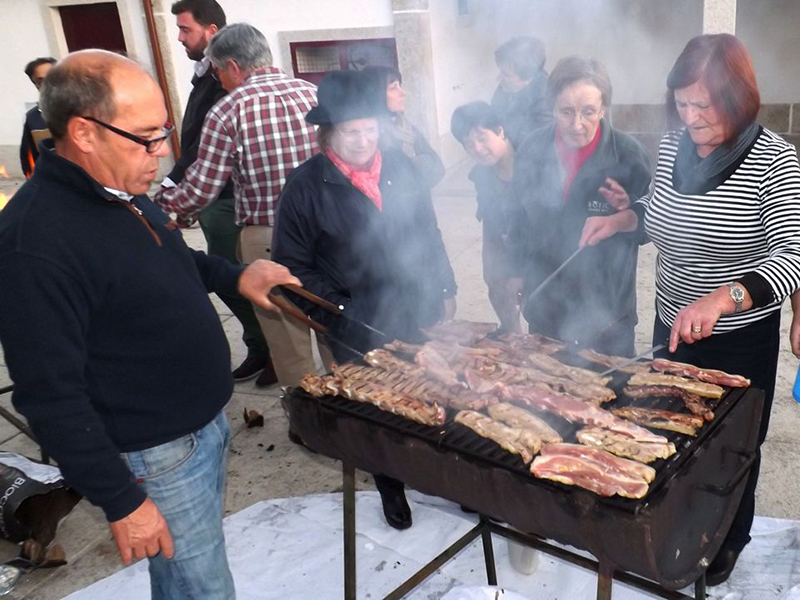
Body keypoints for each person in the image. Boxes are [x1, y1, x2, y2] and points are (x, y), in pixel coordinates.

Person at [0, 49, 302, 599]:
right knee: (204, 587)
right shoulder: (36, 243)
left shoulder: (121, 190)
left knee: (184, 578)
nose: (162, 153)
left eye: (162, 131)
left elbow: (171, 258)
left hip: (201, 426)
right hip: (154, 453)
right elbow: (49, 396)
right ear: (84, 133)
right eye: (146, 137)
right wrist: (123, 502)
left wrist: (238, 276)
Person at [580, 34, 800, 586]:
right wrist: (626, 219)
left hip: (738, 337)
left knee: (732, 445)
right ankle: (676, 524)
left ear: (739, 97)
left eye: (705, 104)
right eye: (682, 103)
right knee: (666, 429)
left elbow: (791, 257)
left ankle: (729, 535)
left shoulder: (776, 159)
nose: (693, 117)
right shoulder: (677, 144)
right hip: (671, 321)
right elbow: (662, 211)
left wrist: (725, 298)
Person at [272, 70, 457, 530]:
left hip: (417, 308)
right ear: (326, 134)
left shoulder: (402, 168)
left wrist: (446, 286)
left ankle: (454, 479)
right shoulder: (305, 187)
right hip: (355, 319)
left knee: (436, 391)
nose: (361, 141)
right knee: (379, 413)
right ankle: (391, 486)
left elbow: (428, 233)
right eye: (350, 132)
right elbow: (294, 268)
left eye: (370, 129)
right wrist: (339, 310)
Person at [155, 23, 320, 390]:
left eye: (217, 71)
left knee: (289, 343)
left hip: (269, 240)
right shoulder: (313, 94)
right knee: (331, 324)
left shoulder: (228, 110)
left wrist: (164, 205)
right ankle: (348, 413)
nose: (218, 79)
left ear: (231, 66)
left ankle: (310, 420)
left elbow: (202, 188)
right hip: (325, 232)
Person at [509, 56, 652, 356]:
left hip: (607, 316)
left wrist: (627, 213)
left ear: (603, 108)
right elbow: (518, 216)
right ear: (552, 108)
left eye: (588, 112)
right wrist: (515, 270)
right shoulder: (532, 149)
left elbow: (651, 224)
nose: (577, 125)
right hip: (546, 306)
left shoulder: (627, 155)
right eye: (566, 112)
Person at [164, 0, 275, 386]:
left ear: (213, 34)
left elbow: (202, 160)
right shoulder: (303, 91)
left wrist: (167, 202)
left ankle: (269, 349)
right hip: (237, 202)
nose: (178, 37)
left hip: (231, 202)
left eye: (185, 29)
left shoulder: (227, 94)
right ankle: (266, 346)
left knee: (233, 276)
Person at [451, 101, 523, 332]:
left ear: (500, 131)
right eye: (468, 144)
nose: (477, 149)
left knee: (534, 296)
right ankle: (513, 335)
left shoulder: (532, 161)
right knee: (496, 283)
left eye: (482, 138)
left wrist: (520, 269)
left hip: (536, 240)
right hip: (499, 233)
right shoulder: (482, 174)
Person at [362, 65, 444, 189]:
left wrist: (409, 168)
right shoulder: (369, 135)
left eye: (400, 86)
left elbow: (438, 167)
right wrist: (418, 165)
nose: (403, 92)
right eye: (394, 87)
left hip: (419, 203)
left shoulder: (406, 126)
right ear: (377, 94)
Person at [491, 36, 551, 148]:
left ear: (528, 78)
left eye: (506, 75)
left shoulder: (546, 101)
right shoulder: (507, 87)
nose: (499, 78)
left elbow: (536, 145)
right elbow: (493, 116)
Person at [19, 57, 56, 178]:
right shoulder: (33, 117)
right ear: (35, 84)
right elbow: (28, 156)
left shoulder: (84, 110)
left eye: (51, 77)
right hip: (54, 184)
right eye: (40, 80)